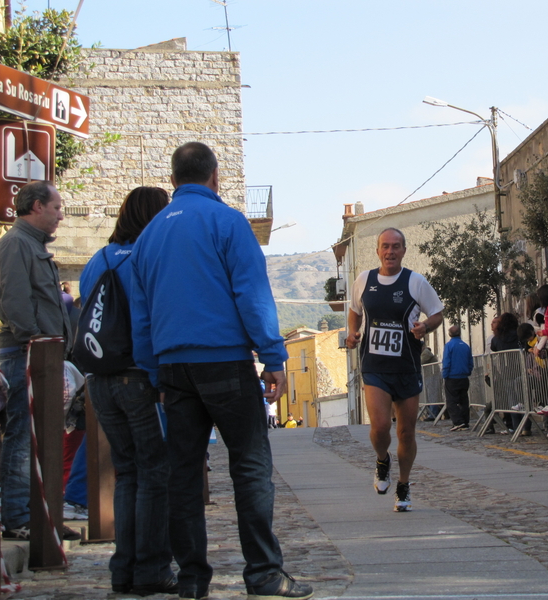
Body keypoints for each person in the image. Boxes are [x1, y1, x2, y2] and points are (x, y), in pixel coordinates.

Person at [129, 143, 311, 600]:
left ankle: (191, 579)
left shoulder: (148, 236)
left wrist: (154, 372)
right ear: (215, 176)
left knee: (184, 474)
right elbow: (251, 293)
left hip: (173, 366)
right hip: (224, 361)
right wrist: (273, 356)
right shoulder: (228, 221)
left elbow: (141, 313)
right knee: (250, 467)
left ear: (173, 180)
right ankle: (264, 575)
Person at [80, 186, 176, 595]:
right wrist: (160, 379)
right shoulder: (147, 258)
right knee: (155, 472)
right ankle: (152, 568)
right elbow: (150, 320)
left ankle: (123, 569)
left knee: (126, 473)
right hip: (137, 377)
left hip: (99, 380)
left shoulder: (96, 260)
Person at [0, 180, 74, 541]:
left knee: (44, 440)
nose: (60, 215)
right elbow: (15, 302)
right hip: (26, 355)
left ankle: (44, 517)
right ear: (37, 206)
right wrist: (36, 340)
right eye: (56, 208)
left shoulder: (32, 245)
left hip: (44, 356)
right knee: (22, 438)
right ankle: (18, 517)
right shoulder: (15, 245)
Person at [345, 227, 443, 512]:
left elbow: (437, 313)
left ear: (403, 250)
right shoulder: (364, 280)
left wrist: (425, 325)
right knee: (379, 427)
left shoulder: (415, 282)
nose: (390, 251)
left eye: (396, 246)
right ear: (377, 250)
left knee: (406, 433)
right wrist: (353, 332)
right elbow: (354, 310)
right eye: (385, 246)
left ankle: (404, 484)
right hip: (375, 367)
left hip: (407, 366)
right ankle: (382, 460)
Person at [441, 325, 473, 432]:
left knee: (451, 401)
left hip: (452, 377)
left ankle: (458, 422)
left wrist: (445, 375)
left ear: (449, 334)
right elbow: (470, 361)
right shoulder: (465, 346)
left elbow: (446, 361)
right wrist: (468, 371)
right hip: (464, 377)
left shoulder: (449, 345)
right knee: (464, 400)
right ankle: (465, 421)